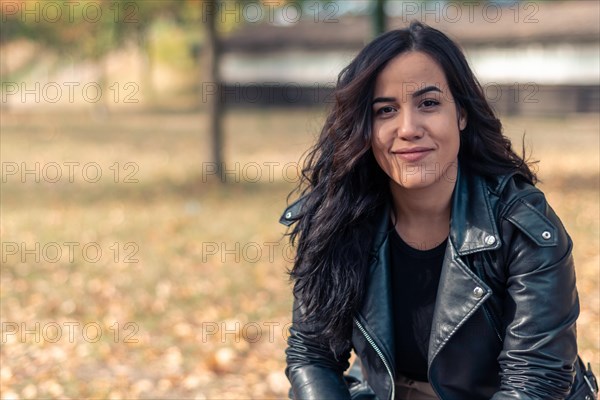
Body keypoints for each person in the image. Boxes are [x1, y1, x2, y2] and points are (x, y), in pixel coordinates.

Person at [279, 21, 597, 400]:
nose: (408, 128)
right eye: (385, 110)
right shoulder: (337, 218)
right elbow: (312, 355)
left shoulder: (524, 225)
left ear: (461, 114)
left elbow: (535, 381)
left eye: (428, 104)